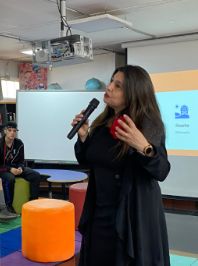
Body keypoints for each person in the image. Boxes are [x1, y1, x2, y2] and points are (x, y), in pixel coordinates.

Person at [72, 65, 170, 266]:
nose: (108, 88)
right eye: (111, 82)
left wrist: (144, 147)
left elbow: (161, 171)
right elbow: (88, 160)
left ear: (134, 93)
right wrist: (83, 138)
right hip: (99, 213)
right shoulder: (102, 123)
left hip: (132, 217)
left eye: (118, 86)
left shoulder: (149, 125)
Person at [0, 121, 40, 214]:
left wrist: (20, 167)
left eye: (14, 131)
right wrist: (9, 169)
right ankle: (9, 206)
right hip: (2, 170)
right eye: (10, 130)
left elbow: (21, 161)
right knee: (10, 179)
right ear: (5, 131)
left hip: (15, 168)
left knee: (35, 175)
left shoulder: (19, 143)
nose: (12, 133)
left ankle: (33, 202)